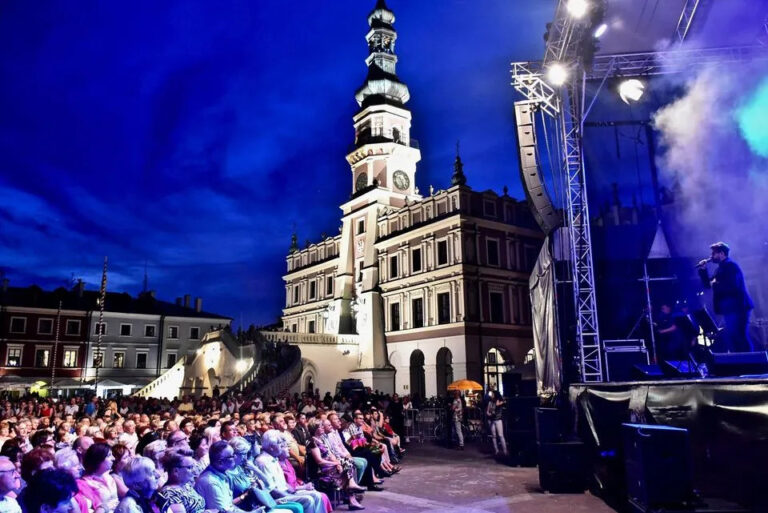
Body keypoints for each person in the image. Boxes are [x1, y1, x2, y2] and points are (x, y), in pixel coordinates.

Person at [698, 241, 754, 352]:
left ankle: (751, 364)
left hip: (739, 307)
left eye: (714, 253)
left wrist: (715, 283)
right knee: (734, 337)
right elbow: (708, 285)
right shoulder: (720, 269)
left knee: (740, 336)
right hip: (730, 309)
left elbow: (733, 285)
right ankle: (740, 363)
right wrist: (703, 270)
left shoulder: (731, 266)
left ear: (722, 253)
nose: (711, 256)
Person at [305, 419, 364, 510]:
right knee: (346, 471)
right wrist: (335, 463)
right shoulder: (312, 442)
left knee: (347, 463)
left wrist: (337, 463)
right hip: (320, 470)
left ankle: (351, 496)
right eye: (321, 426)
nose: (323, 428)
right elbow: (319, 461)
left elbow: (329, 455)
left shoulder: (320, 440)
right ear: (316, 429)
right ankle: (351, 498)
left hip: (328, 468)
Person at [195, 441, 263, 513]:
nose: (235, 457)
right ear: (220, 462)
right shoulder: (210, 482)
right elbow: (223, 511)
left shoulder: (222, 474)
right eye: (232, 456)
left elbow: (229, 506)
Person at [156, 449, 206, 513]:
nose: (193, 470)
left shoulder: (186, 485)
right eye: (189, 467)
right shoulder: (170, 494)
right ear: (175, 471)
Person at [77, 443, 120, 513]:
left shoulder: (109, 476)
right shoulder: (85, 484)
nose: (113, 458)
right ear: (98, 459)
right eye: (109, 456)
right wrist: (106, 507)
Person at [485, 391, 507, 458]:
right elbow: (487, 411)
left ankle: (505, 451)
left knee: (500, 435)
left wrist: (500, 401)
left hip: (498, 420)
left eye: (492, 394)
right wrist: (490, 414)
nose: (491, 396)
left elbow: (499, 404)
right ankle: (496, 450)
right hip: (492, 420)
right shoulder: (490, 402)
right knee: (493, 436)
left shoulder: (499, 401)